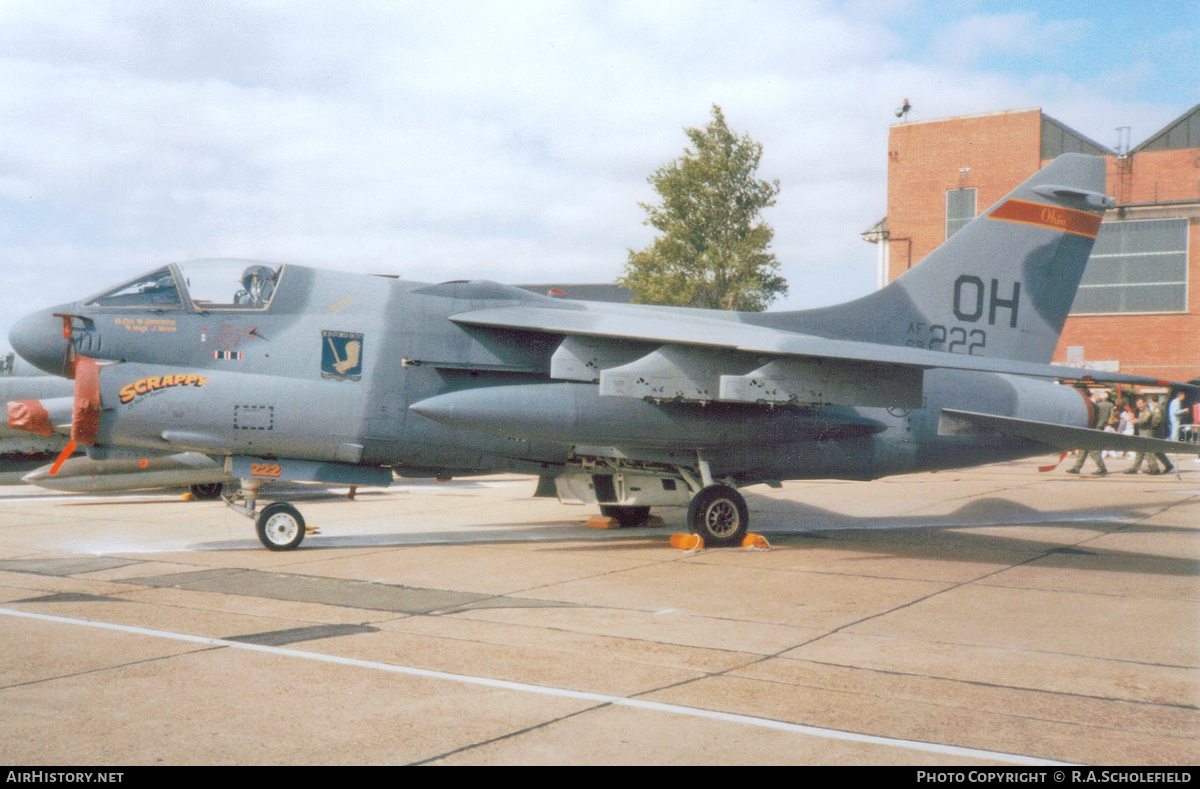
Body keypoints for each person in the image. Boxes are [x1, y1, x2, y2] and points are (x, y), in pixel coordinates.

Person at [1066, 390, 1113, 476]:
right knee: (1084, 449)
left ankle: (1102, 468)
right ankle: (1076, 467)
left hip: (1092, 429)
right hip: (1093, 429)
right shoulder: (1095, 405)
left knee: (1093, 450)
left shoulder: (1093, 406)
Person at [1124, 396, 1163, 474]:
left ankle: (1155, 469)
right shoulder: (1141, 411)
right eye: (1138, 404)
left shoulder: (1147, 411)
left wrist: (1132, 420)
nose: (1139, 405)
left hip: (1146, 433)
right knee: (1139, 452)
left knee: (1148, 452)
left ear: (1145, 403)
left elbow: (1143, 421)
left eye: (1141, 403)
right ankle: (1134, 468)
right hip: (1142, 433)